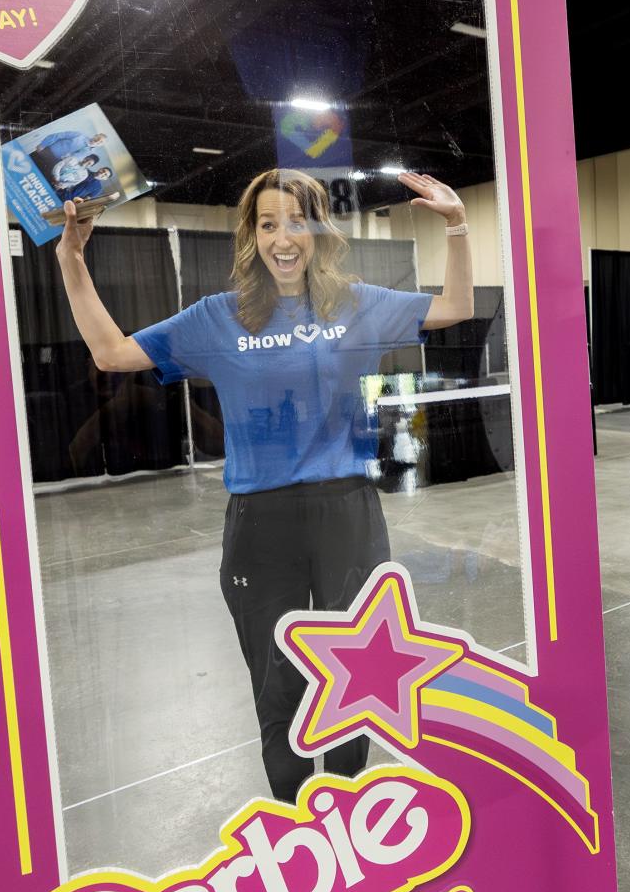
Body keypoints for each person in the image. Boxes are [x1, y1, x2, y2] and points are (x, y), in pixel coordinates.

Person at [55, 166, 473, 803]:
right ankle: (296, 820)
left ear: (318, 232)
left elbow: (456, 309)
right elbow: (112, 353)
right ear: (251, 235)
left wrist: (458, 226)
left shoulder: (356, 305)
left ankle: (350, 812)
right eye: (268, 223)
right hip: (261, 522)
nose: (284, 237)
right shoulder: (218, 319)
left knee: (355, 674)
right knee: (278, 678)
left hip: (348, 515)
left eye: (297, 222)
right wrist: (72, 259)